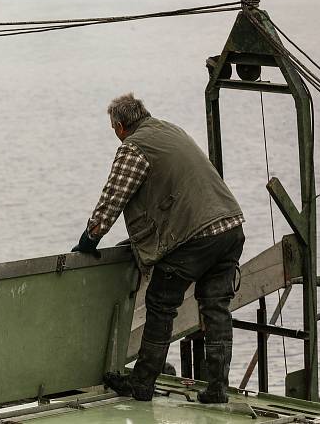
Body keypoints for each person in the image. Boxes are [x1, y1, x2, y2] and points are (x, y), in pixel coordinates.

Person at [71, 93, 245, 403]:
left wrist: (88, 241)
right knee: (216, 308)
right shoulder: (170, 130)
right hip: (229, 227)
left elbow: (113, 199)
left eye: (114, 128)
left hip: (196, 237)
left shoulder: (134, 148)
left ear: (121, 126)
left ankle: (142, 384)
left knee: (161, 304)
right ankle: (218, 387)